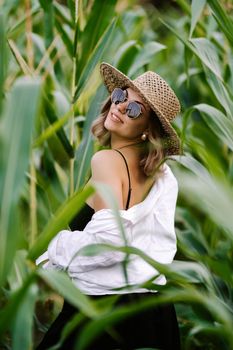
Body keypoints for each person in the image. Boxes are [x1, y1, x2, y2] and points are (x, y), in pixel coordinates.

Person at [36, 62, 181, 350]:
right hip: (154, 313)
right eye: (120, 96)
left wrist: (55, 248)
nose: (121, 107)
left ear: (147, 129)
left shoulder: (106, 161)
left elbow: (108, 244)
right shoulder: (163, 175)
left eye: (136, 109)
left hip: (102, 313)